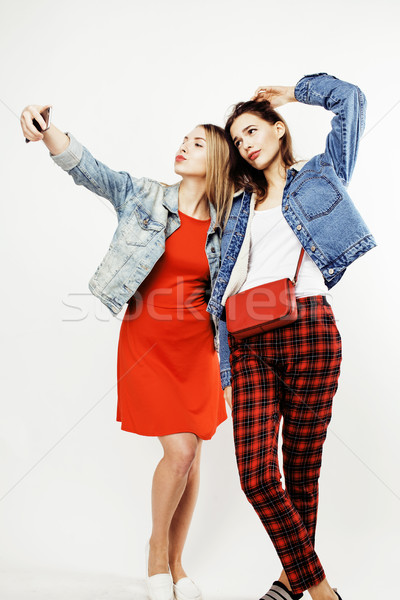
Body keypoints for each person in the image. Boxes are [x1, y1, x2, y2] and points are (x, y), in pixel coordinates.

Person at [20, 107, 233, 600]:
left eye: (196, 143)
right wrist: (50, 130)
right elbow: (92, 172)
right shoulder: (145, 196)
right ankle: (156, 553)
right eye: (184, 139)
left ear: (218, 160)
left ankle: (177, 566)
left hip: (199, 349)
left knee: (192, 458)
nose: (182, 146)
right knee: (178, 452)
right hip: (149, 344)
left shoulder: (230, 221)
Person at [207, 73, 376, 600]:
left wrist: (291, 91)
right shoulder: (236, 205)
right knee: (257, 476)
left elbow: (352, 101)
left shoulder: (323, 175)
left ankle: (288, 582)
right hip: (251, 340)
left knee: (302, 471)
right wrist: (227, 370)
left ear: (279, 130)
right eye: (238, 140)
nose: (246, 143)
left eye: (253, 131)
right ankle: (321, 589)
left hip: (311, 331)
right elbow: (219, 293)